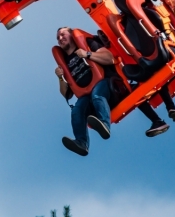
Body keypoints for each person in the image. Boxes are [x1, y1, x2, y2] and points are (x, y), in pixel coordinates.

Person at [54, 27, 169, 156]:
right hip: (88, 97)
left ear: (71, 35)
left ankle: (104, 125)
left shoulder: (88, 44)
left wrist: (87, 54)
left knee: (97, 94)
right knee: (76, 110)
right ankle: (81, 143)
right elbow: (65, 94)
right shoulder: (64, 62)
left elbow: (109, 58)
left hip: (109, 87)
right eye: (58, 37)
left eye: (63, 35)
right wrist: (60, 77)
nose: (60, 38)